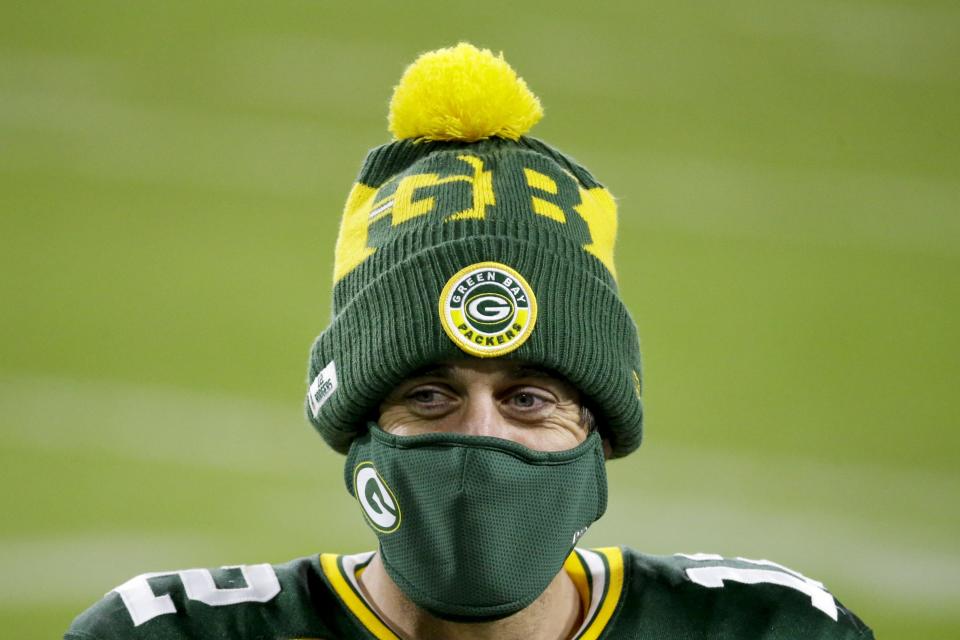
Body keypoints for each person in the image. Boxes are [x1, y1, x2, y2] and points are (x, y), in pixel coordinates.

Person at [65, 43, 874, 640]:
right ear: (359, 426)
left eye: (529, 398)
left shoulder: (765, 629)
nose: (481, 438)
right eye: (430, 394)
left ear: (597, 429)